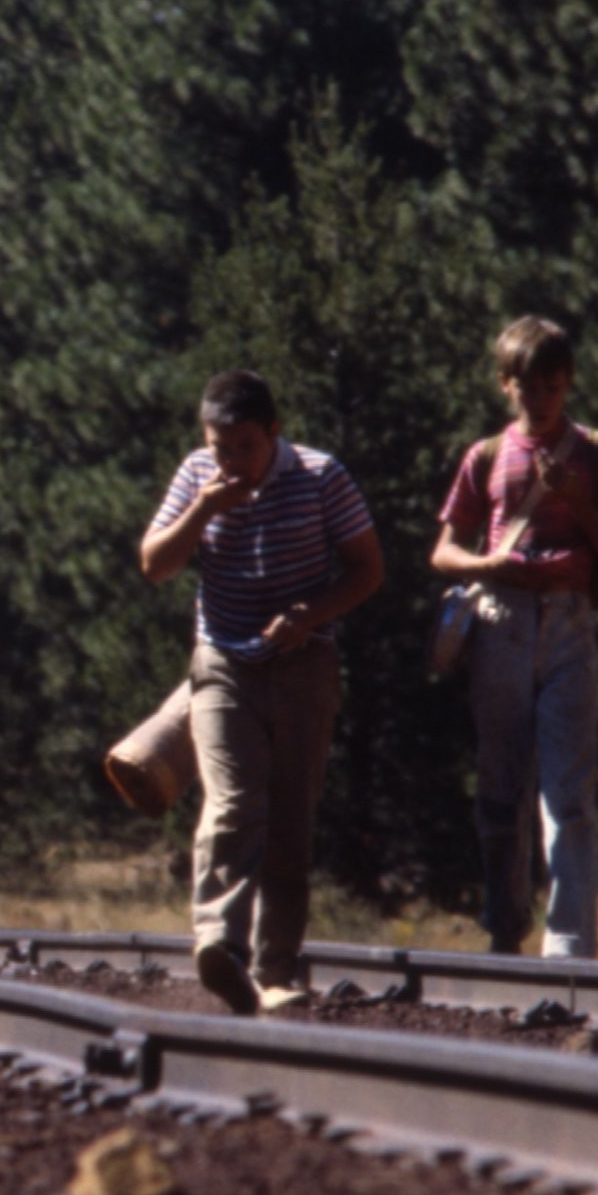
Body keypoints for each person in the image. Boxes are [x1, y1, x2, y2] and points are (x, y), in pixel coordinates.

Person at [141, 371, 383, 1017]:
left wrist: (311, 614)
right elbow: (154, 563)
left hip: (304, 664)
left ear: (274, 432)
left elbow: (368, 567)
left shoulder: (319, 477)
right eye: (220, 448)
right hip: (223, 663)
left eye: (244, 447)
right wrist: (204, 510)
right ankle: (219, 942)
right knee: (232, 800)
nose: (231, 461)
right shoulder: (198, 477)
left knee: (288, 820)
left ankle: (275, 969)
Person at [431, 316, 598, 960]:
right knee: (501, 787)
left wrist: (577, 501)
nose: (542, 399)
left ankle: (570, 946)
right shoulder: (486, 457)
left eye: (553, 386)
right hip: (501, 622)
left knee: (567, 793)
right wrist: (486, 568)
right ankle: (504, 926)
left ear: (568, 383)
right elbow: (444, 552)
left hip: (568, 623)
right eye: (528, 387)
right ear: (506, 385)